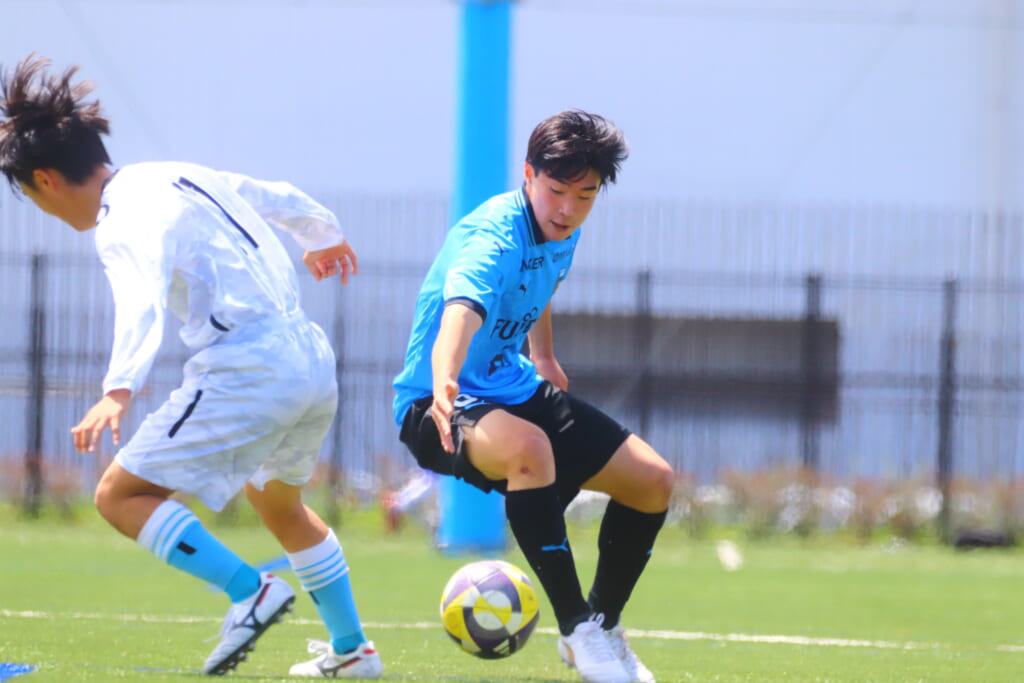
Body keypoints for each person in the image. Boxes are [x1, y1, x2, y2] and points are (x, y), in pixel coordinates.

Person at [0, 54, 383, 679]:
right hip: (311, 360)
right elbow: (267, 194)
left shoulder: (119, 222)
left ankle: (249, 591)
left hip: (249, 369)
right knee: (279, 504)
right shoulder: (174, 174)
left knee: (120, 495)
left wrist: (119, 387)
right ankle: (353, 650)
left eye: (30, 195)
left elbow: (141, 295)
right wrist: (322, 233)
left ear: (45, 179)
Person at [393, 110, 674, 683]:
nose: (567, 208)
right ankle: (577, 630)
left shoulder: (562, 229)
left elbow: (539, 285)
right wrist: (444, 379)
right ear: (528, 174)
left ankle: (603, 626)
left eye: (585, 195)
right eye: (556, 191)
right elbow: (460, 312)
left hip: (514, 384)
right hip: (435, 402)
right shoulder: (492, 238)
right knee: (530, 449)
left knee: (652, 480)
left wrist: (542, 354)